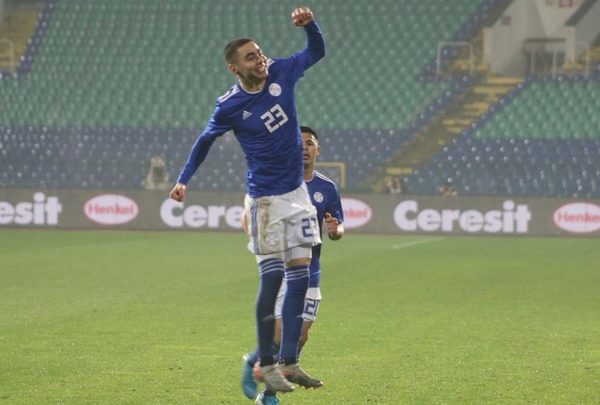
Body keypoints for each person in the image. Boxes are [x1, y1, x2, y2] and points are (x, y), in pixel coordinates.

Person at [169, 7, 326, 396]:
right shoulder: (230, 106)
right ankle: (265, 364)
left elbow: (316, 52)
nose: (260, 60)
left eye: (260, 53)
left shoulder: (282, 72)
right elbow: (204, 141)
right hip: (266, 201)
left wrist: (310, 26)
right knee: (272, 280)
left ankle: (289, 361)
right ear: (235, 68)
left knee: (301, 276)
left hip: (297, 195)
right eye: (251, 57)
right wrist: (183, 180)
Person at [241, 126, 345, 405]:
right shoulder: (277, 182)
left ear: (318, 150)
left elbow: (338, 226)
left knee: (301, 335)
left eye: (309, 143)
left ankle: (268, 387)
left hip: (312, 271)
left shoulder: (327, 188)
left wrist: (335, 230)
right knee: (281, 333)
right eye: (298, 143)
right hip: (285, 270)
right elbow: (249, 214)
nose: (304, 148)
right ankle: (256, 371)